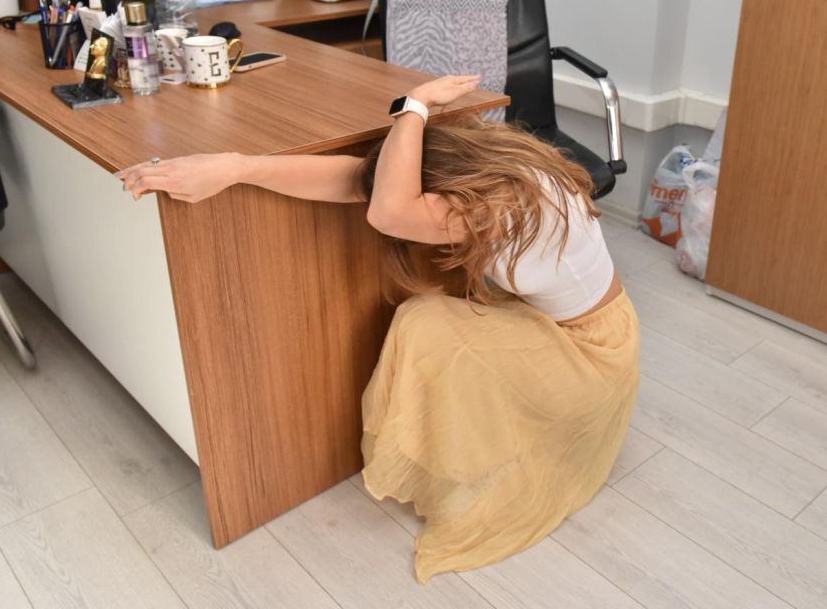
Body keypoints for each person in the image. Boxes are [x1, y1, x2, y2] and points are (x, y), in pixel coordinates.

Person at [117, 74, 640, 583]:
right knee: (434, 309)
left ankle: (455, 456)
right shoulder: (494, 169)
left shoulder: (495, 207)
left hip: (590, 357)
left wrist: (414, 105)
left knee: (424, 321)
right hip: (593, 326)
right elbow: (358, 182)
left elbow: (387, 210)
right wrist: (236, 167)